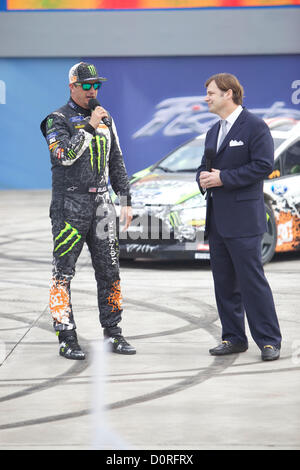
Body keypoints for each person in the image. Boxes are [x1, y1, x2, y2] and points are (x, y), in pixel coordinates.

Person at [40, 62, 136, 359]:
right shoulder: (56, 120)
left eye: (97, 85)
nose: (93, 90)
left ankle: (114, 333)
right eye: (87, 85)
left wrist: (126, 198)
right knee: (63, 274)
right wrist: (90, 127)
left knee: (110, 271)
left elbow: (116, 159)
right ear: (72, 87)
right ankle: (67, 337)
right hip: (70, 204)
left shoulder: (106, 118)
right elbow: (65, 155)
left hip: (103, 204)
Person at [196, 73, 282, 361]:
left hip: (244, 220)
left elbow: (263, 165)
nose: (206, 98)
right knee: (224, 283)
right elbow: (204, 167)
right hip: (217, 221)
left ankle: (269, 341)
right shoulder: (213, 131)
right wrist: (203, 178)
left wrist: (224, 179)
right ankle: (233, 337)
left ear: (228, 94)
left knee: (252, 282)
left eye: (211, 93)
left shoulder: (255, 127)